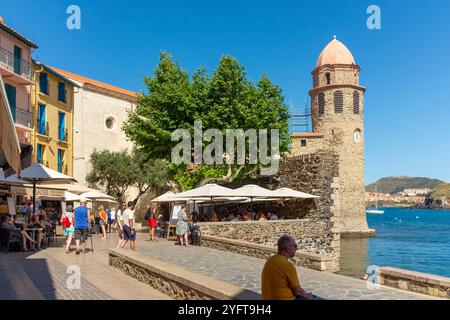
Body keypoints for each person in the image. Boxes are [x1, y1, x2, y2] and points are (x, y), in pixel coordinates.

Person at [261, 235, 313, 300]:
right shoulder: (287, 265)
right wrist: (306, 295)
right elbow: (297, 291)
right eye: (295, 246)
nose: (296, 249)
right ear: (288, 248)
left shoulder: (271, 260)